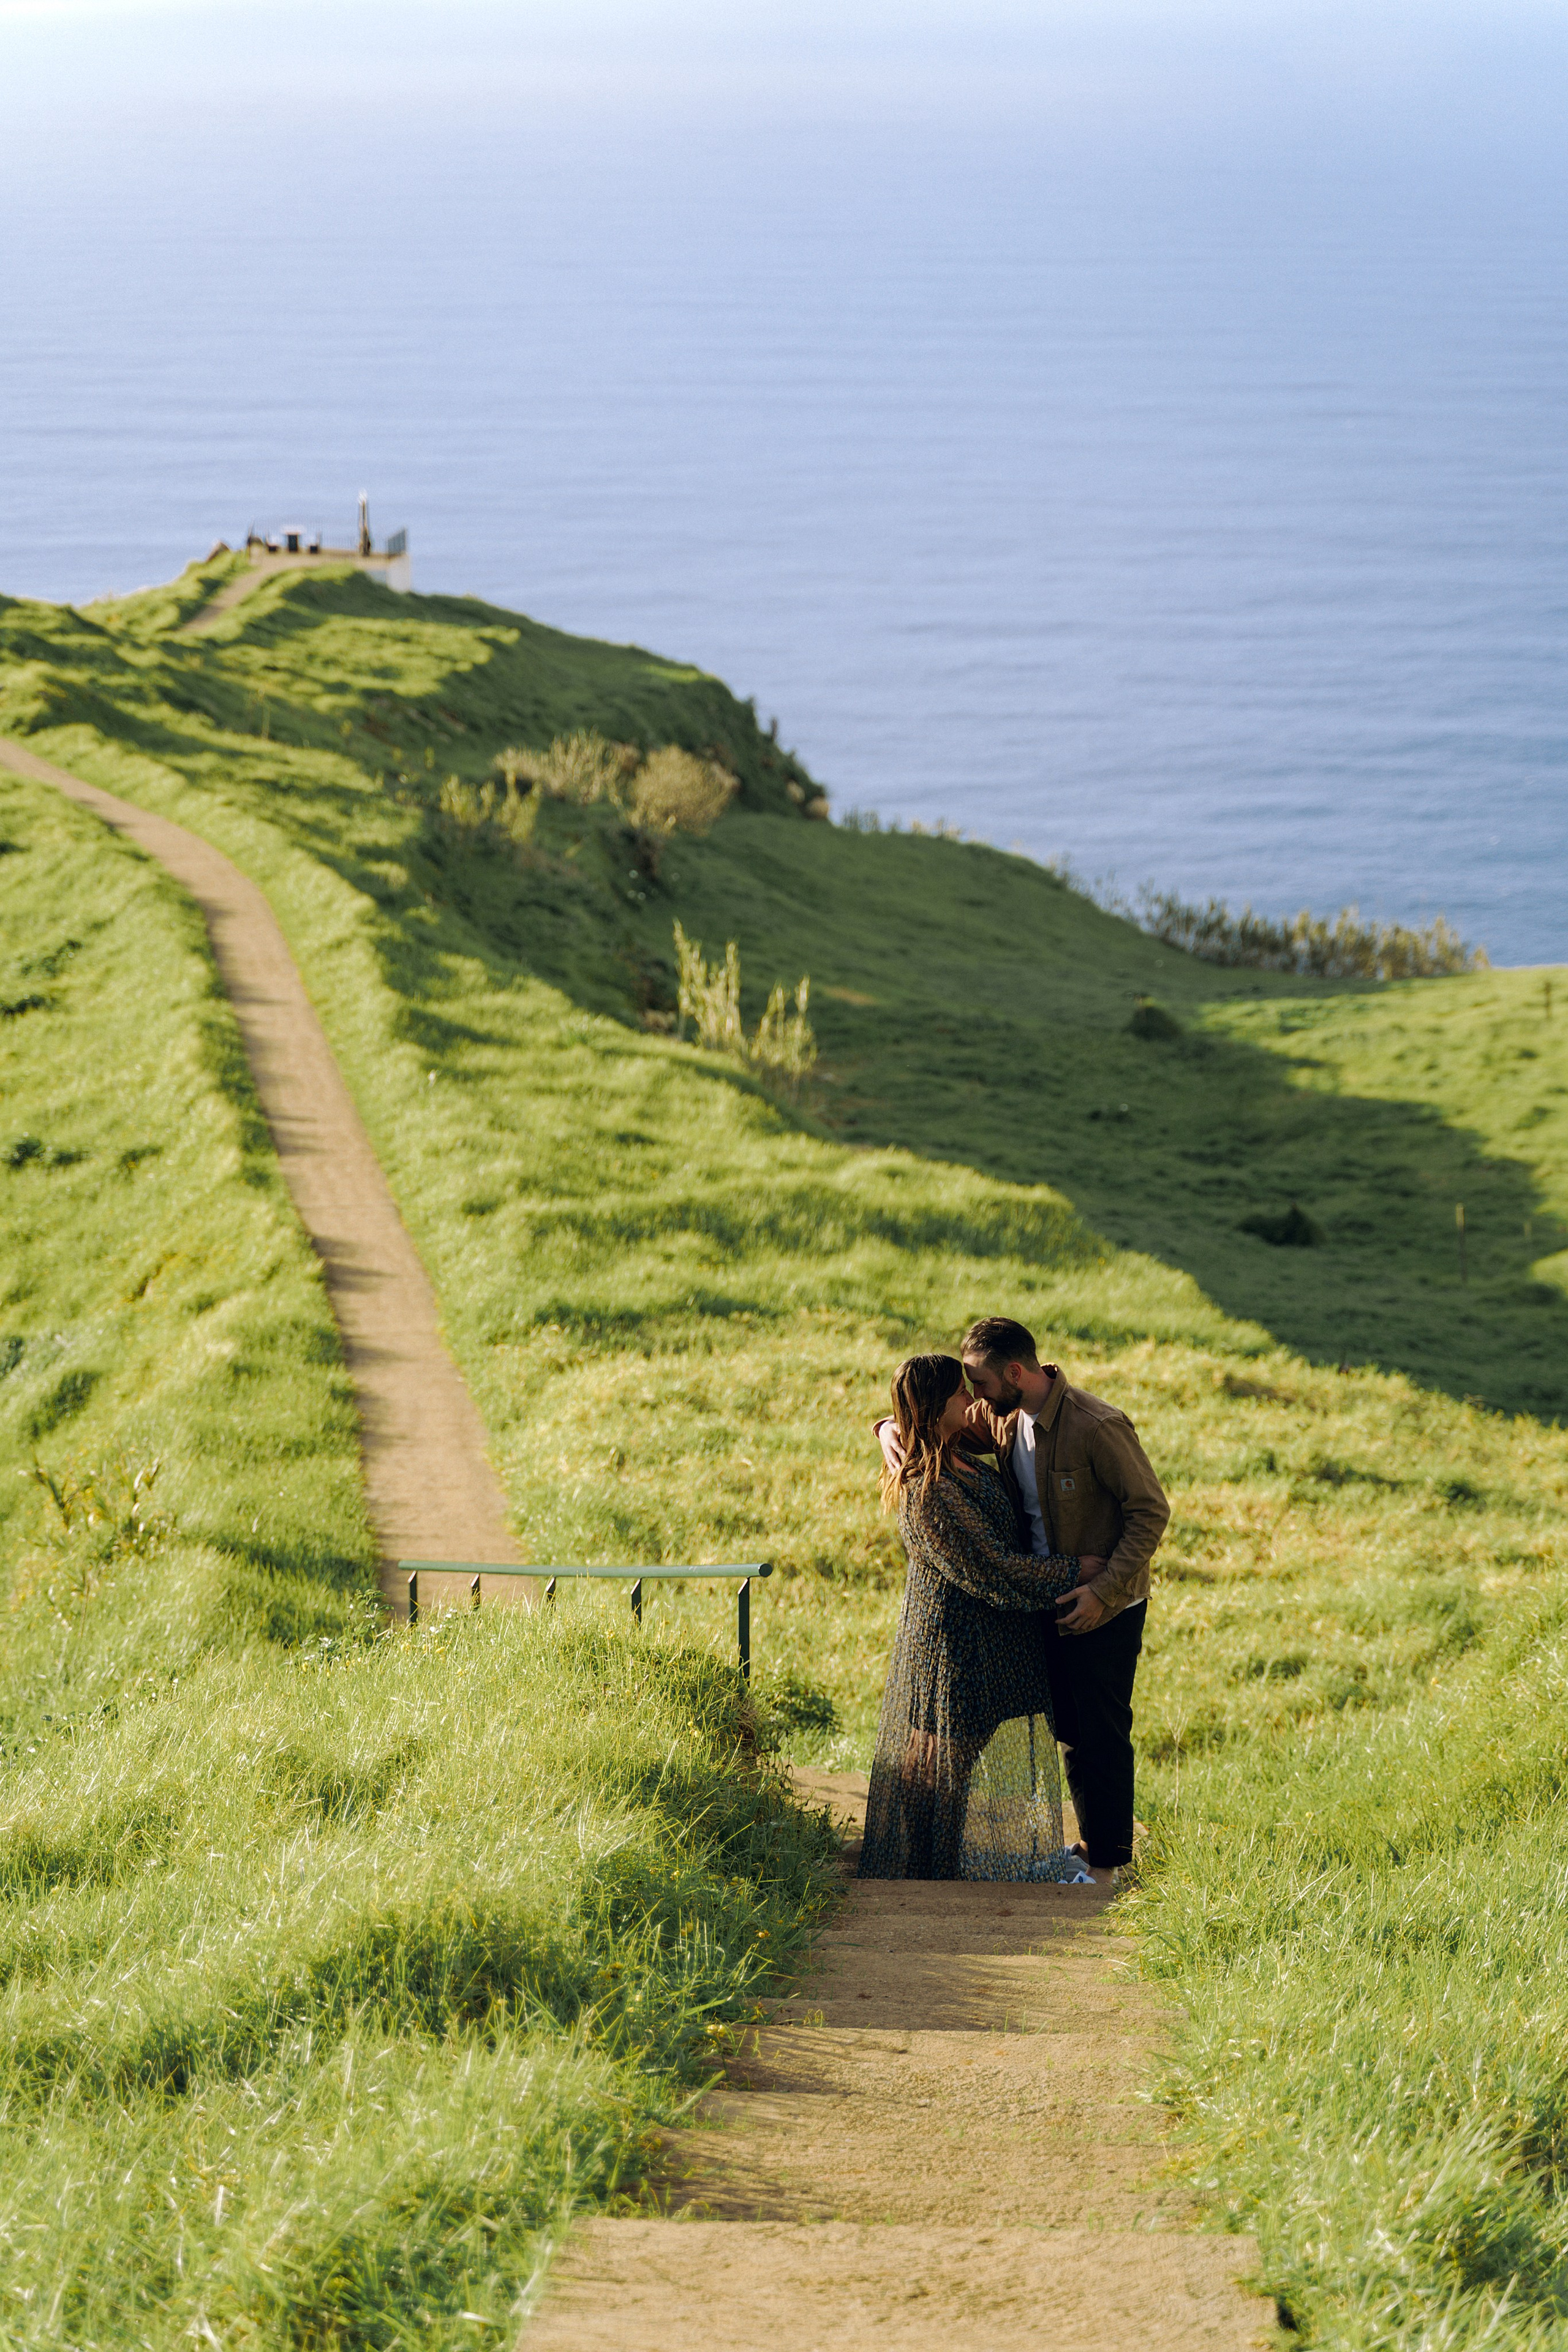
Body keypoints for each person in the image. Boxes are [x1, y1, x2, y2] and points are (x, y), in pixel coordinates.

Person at [859, 1352, 1103, 1883]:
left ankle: (929, 1872)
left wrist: (884, 1425)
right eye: (959, 1393)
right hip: (952, 1647)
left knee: (942, 1766)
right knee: (937, 1768)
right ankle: (922, 1877)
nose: (972, 1399)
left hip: (982, 1643)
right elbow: (993, 1567)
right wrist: (1075, 1570)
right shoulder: (929, 1487)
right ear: (935, 1407)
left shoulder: (956, 1452)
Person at [956, 1316, 1170, 1883]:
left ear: (1015, 1373)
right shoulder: (1004, 1416)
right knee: (1073, 1731)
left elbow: (1151, 1512)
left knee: (1101, 1733)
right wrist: (887, 1428)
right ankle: (1094, 1847)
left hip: (1108, 1607)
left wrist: (1103, 1591)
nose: (975, 1397)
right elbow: (940, 1424)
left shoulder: (1096, 1426)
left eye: (980, 1383)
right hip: (1049, 1602)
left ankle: (1108, 1869)